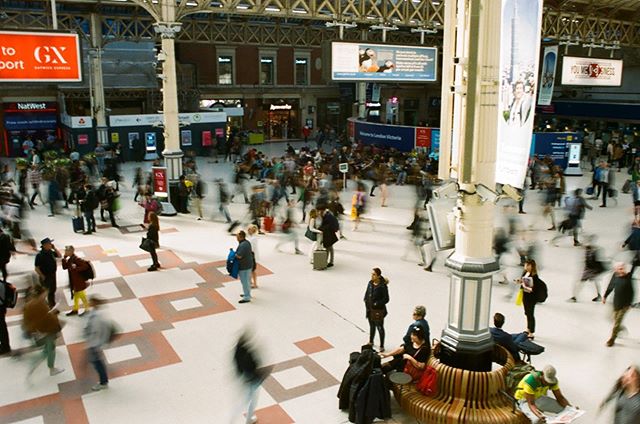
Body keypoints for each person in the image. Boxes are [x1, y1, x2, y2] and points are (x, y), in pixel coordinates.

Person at [22, 286, 64, 376]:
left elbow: (27, 320)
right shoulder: (40, 304)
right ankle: (52, 368)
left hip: (36, 331)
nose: (46, 294)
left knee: (48, 346)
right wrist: (54, 313)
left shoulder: (28, 304)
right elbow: (46, 318)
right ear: (41, 294)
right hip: (46, 330)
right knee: (51, 348)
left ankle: (45, 352)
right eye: (45, 293)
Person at [231, 331, 270, 424]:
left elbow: (237, 365)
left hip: (244, 378)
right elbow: (254, 365)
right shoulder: (247, 353)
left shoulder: (236, 351)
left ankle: (235, 419)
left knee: (246, 400)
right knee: (251, 401)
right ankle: (248, 420)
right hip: (252, 379)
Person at [603, 262, 634, 347]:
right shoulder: (615, 276)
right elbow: (611, 286)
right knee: (613, 319)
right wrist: (605, 296)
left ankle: (612, 339)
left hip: (624, 305)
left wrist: (629, 304)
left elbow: (631, 292)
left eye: (623, 268)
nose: (622, 270)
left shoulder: (628, 278)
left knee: (616, 323)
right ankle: (620, 328)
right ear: (616, 270)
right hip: (616, 302)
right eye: (619, 269)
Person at [84, 296, 112, 391]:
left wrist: (99, 343)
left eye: (90, 302)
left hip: (95, 343)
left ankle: (103, 382)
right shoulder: (94, 313)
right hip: (93, 342)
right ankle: (103, 381)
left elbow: (99, 331)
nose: (89, 303)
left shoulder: (98, 317)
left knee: (97, 362)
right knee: (96, 361)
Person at [364, 268, 389, 352]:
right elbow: (367, 292)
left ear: (378, 276)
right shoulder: (370, 283)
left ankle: (382, 345)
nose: (372, 276)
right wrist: (365, 299)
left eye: (374, 274)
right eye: (372, 274)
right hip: (369, 309)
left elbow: (386, 299)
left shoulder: (382, 286)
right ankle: (371, 341)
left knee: (379, 327)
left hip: (378, 310)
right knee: (371, 326)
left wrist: (377, 303)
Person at [62, 245, 90, 316]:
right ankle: (75, 309)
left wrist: (75, 268)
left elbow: (85, 266)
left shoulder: (76, 259)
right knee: (76, 296)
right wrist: (64, 258)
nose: (65, 252)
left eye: (66, 251)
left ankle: (87, 309)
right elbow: (64, 267)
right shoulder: (70, 259)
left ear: (71, 251)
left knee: (81, 295)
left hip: (79, 281)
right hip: (74, 281)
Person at [517, 259, 542, 340]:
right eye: (525, 265)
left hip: (531, 297)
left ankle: (531, 332)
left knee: (530, 314)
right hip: (525, 296)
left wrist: (524, 284)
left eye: (528, 265)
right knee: (527, 313)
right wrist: (520, 281)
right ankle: (528, 328)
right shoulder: (525, 273)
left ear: (532, 266)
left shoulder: (534, 276)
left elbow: (532, 288)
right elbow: (524, 282)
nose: (526, 267)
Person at [34, 238, 61, 309]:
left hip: (52, 275)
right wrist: (42, 276)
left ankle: (52, 306)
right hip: (46, 276)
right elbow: (36, 268)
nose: (51, 245)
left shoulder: (51, 252)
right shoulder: (39, 255)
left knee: (52, 290)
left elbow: (59, 256)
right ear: (45, 245)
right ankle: (43, 307)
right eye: (49, 243)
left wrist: (55, 248)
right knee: (45, 292)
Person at [236, 230, 254, 304]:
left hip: (244, 266)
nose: (236, 238)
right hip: (248, 265)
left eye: (237, 236)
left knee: (245, 282)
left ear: (240, 237)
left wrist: (234, 255)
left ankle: (247, 297)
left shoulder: (243, 245)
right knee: (247, 281)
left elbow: (239, 256)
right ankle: (247, 293)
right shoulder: (247, 242)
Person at [246, 225, 260, 289]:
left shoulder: (254, 238)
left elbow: (252, 248)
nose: (248, 230)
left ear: (252, 231)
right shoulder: (250, 237)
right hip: (250, 255)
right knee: (249, 270)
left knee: (252, 270)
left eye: (249, 229)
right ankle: (251, 282)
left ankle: (255, 284)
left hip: (252, 256)